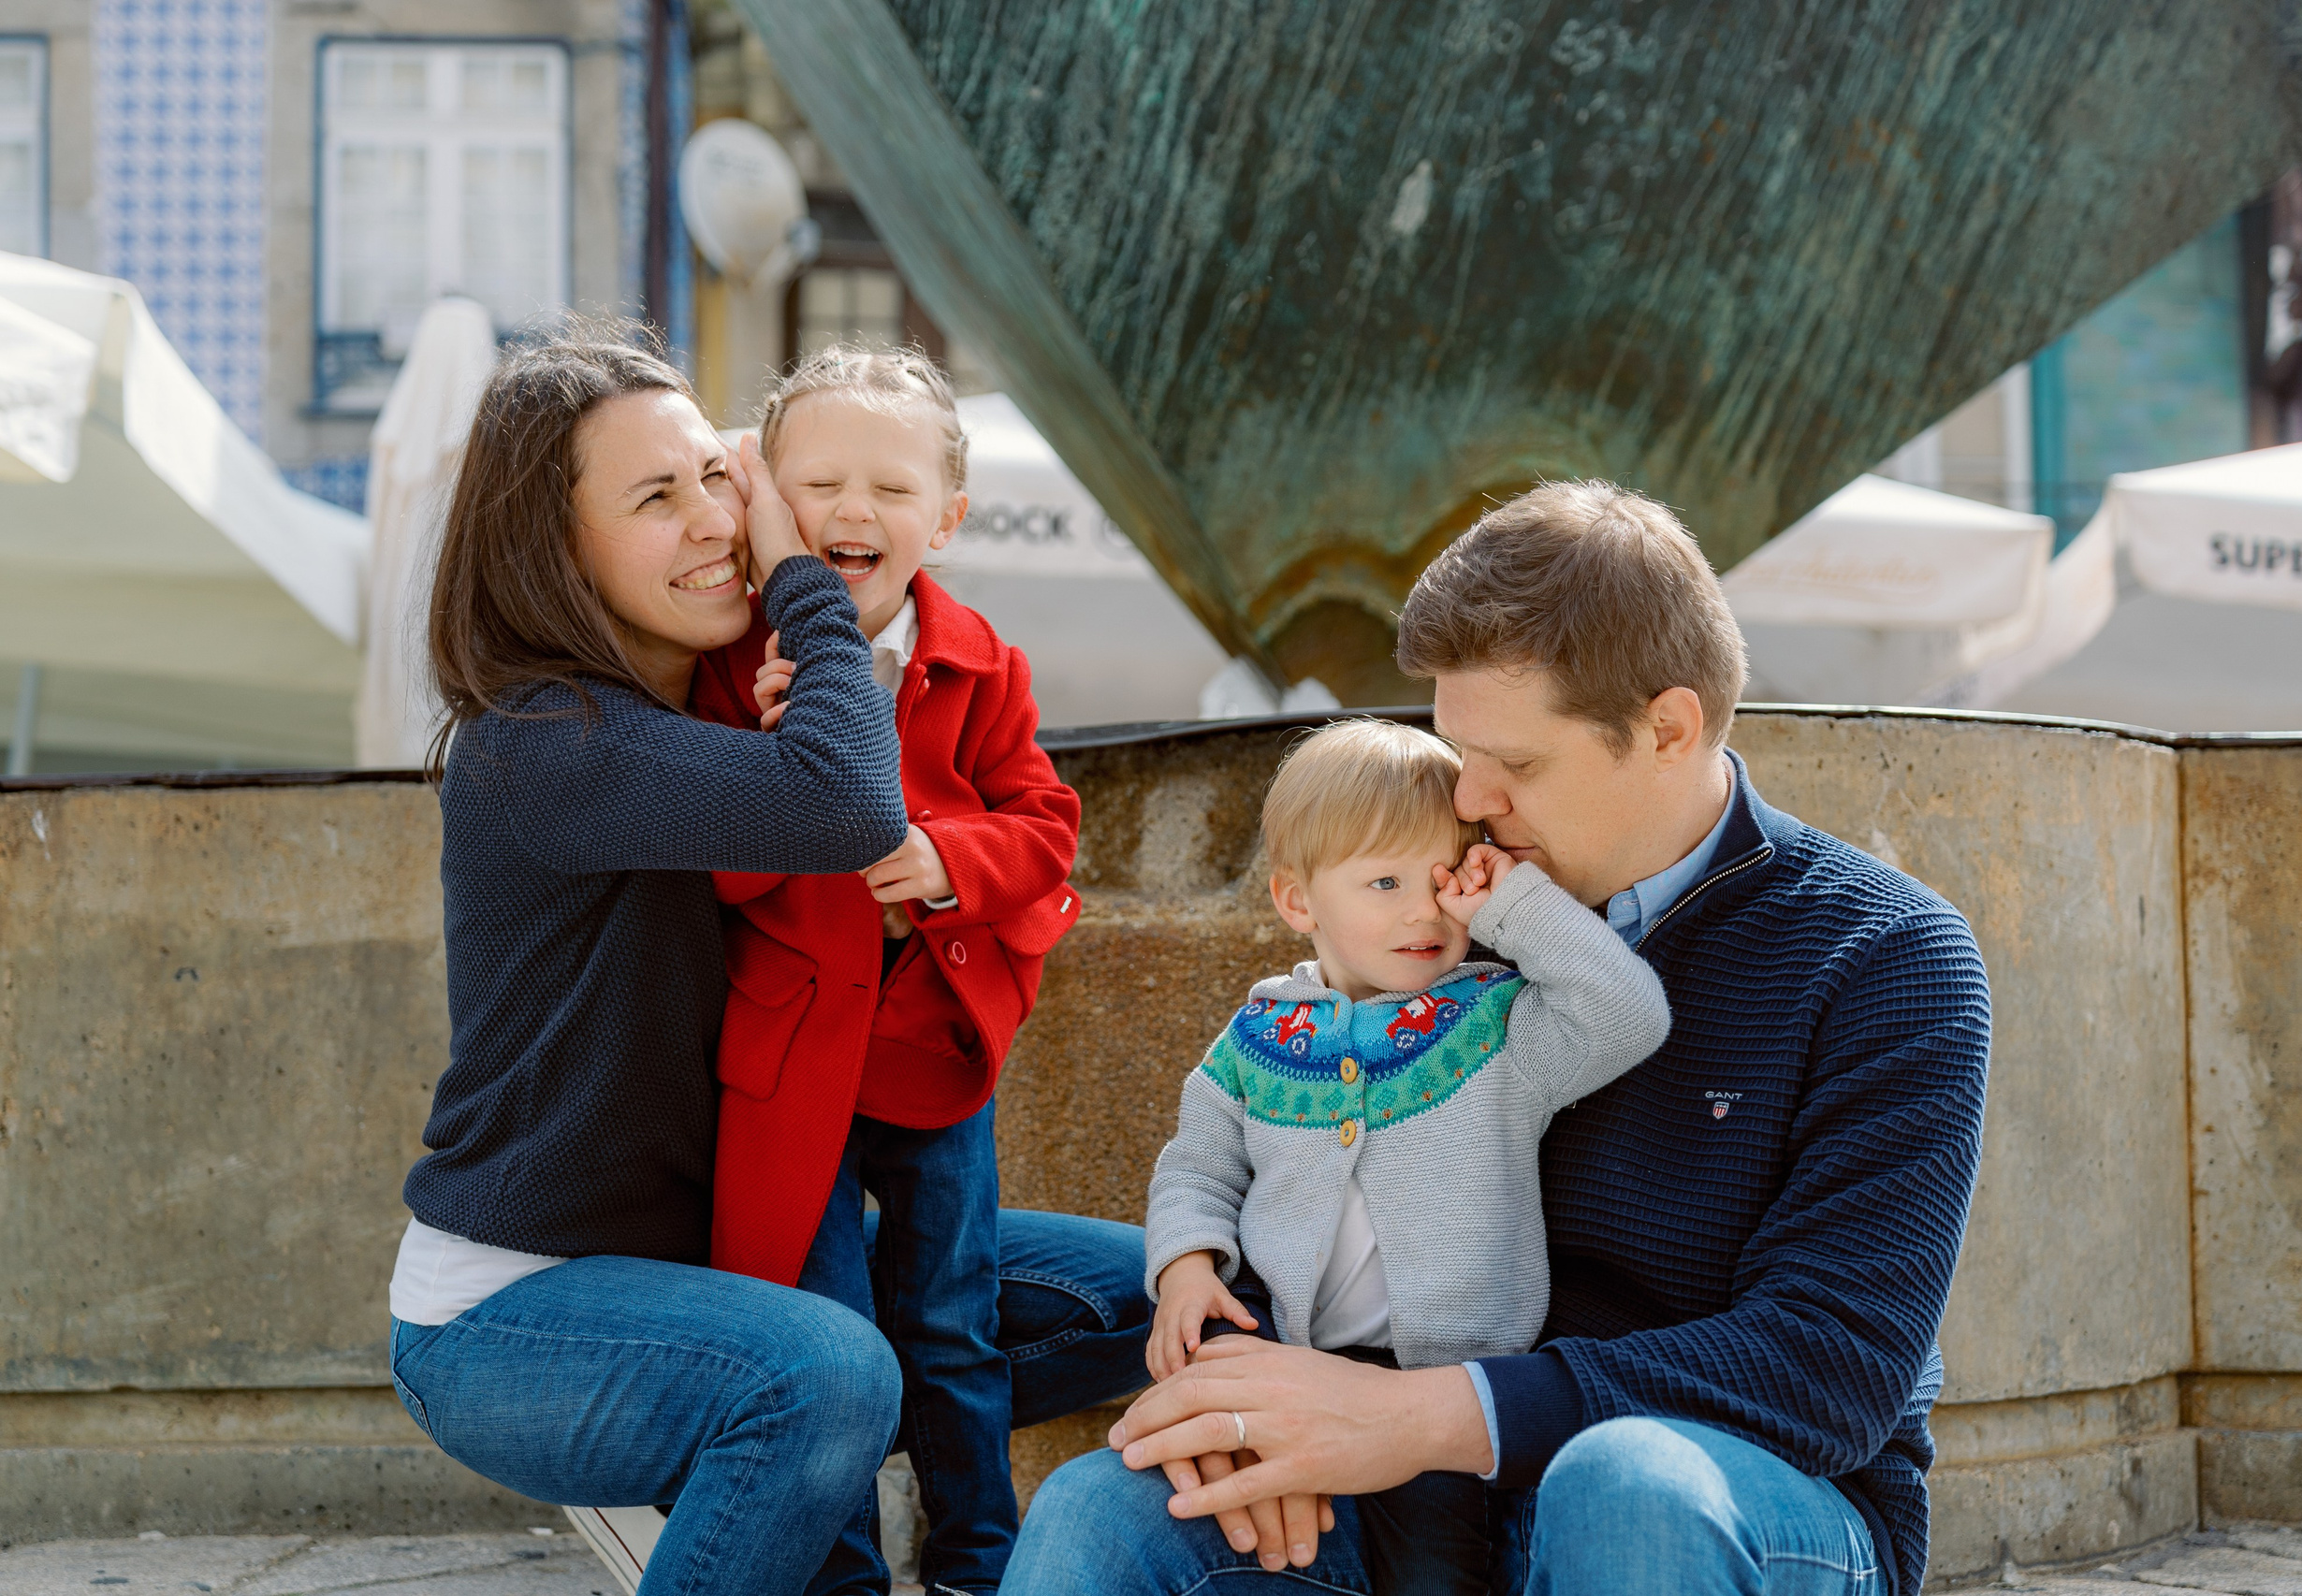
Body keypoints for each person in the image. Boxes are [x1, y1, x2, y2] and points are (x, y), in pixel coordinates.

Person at [1005, 481, 1992, 1596]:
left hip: (1739, 1497)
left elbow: (1830, 1371)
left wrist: (1417, 1416)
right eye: (1455, 746)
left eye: (1514, 766)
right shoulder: (1441, 919)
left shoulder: (1884, 954)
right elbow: (1303, 1175)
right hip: (1414, 1491)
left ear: (1667, 727)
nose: (1467, 797)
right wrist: (1269, 1394)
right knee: (1105, 1508)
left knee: (1624, 1485)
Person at [380, 326, 1149, 1596]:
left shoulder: (706, 710)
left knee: (1144, 1292)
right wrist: (803, 577)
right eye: (653, 496)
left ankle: (777, 1462)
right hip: (521, 1308)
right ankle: (775, 1449)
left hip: (737, 1248)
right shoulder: (546, 742)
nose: (713, 522)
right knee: (828, 1369)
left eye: (716, 479)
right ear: (555, 547)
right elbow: (849, 801)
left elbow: (971, 812)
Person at [690, 345, 1080, 1596]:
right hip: (792, 1061)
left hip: (931, 1052)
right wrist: (772, 759)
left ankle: (980, 1562)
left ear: (948, 518)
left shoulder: (981, 661)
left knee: (953, 1328)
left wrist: (943, 857)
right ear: (764, 503)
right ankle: (845, 1572)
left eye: (892, 489)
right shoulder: (726, 664)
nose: (854, 514)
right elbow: (717, 877)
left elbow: (1046, 830)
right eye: (819, 486)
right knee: (832, 1341)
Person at [1142, 718, 1671, 1595]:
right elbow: (1197, 1163)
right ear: (1298, 902)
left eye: (1443, 881)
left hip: (1444, 1393)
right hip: (1294, 1364)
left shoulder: (1498, 1026)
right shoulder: (1258, 1037)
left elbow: (1627, 1013)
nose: (1423, 910)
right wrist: (1187, 1266)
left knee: (1435, 1575)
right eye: (1383, 882)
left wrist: (1513, 904)